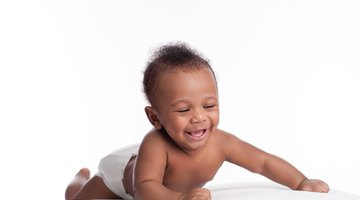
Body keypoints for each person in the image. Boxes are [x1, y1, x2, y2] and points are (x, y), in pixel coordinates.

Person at [65, 42, 330, 200]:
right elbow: (145, 189)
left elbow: (263, 162)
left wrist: (300, 182)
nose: (199, 117)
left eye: (209, 105)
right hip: (121, 175)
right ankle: (80, 179)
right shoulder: (155, 144)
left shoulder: (221, 143)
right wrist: (180, 198)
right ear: (155, 118)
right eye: (183, 110)